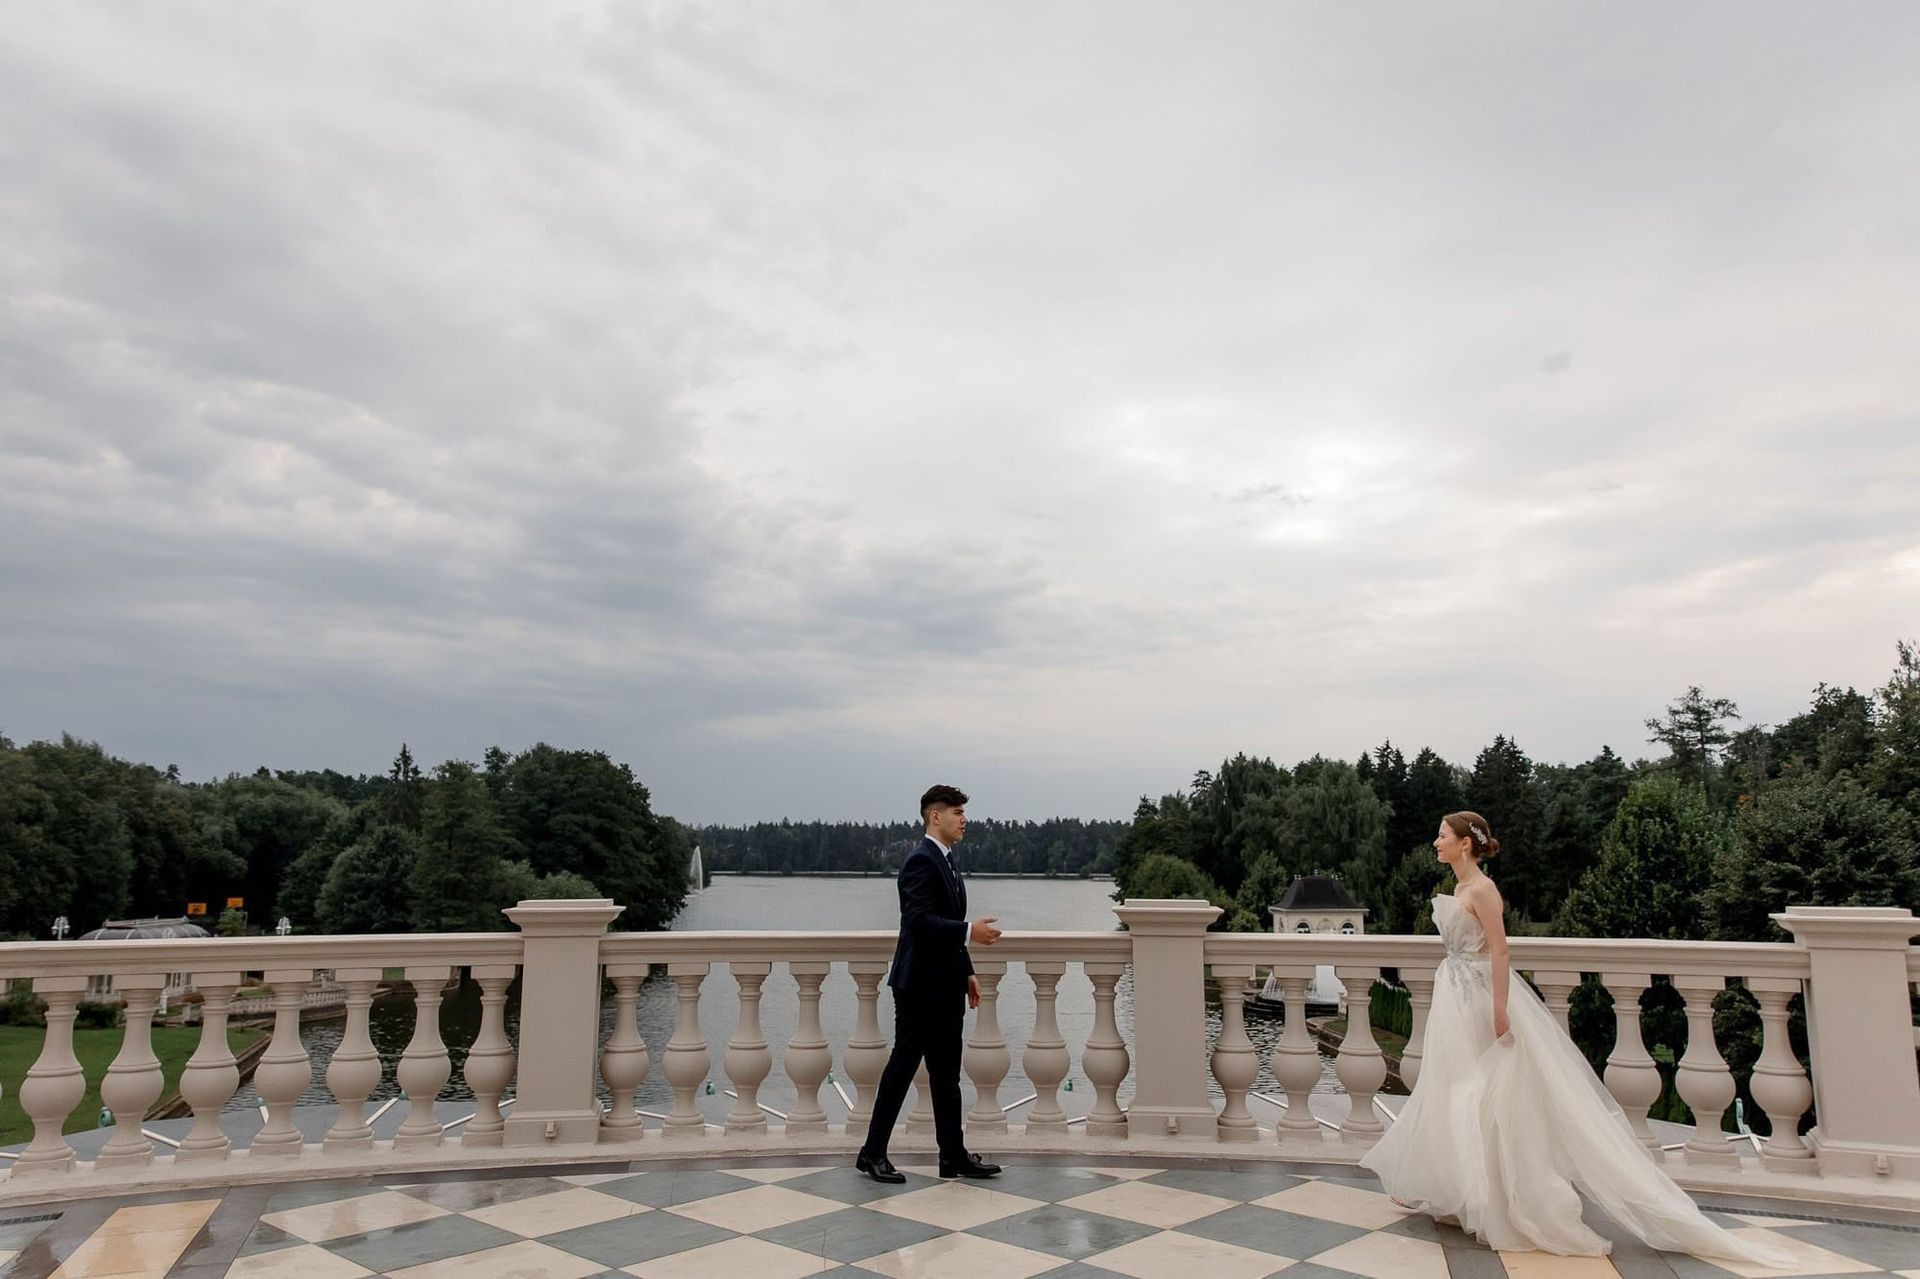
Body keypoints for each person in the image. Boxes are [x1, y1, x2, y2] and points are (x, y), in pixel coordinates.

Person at [1361, 811, 1793, 1265]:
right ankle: (1455, 1192)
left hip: (1479, 998)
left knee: (1486, 1094)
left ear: (1465, 844)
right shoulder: (1461, 888)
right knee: (1453, 1090)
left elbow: (1501, 949)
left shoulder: (1484, 891)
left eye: (1443, 835)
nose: (1436, 841)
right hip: (1456, 995)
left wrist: (1500, 1010)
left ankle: (1501, 1199)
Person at [855, 784, 1004, 1183]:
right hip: (919, 986)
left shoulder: (948, 862)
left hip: (946, 983)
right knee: (901, 1070)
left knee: (945, 1075)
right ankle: (871, 1154)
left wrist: (967, 968)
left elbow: (945, 923)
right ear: (934, 816)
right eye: (957, 812)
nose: (964, 819)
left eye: (963, 812)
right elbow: (919, 923)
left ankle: (952, 1156)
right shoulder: (920, 861)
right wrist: (970, 932)